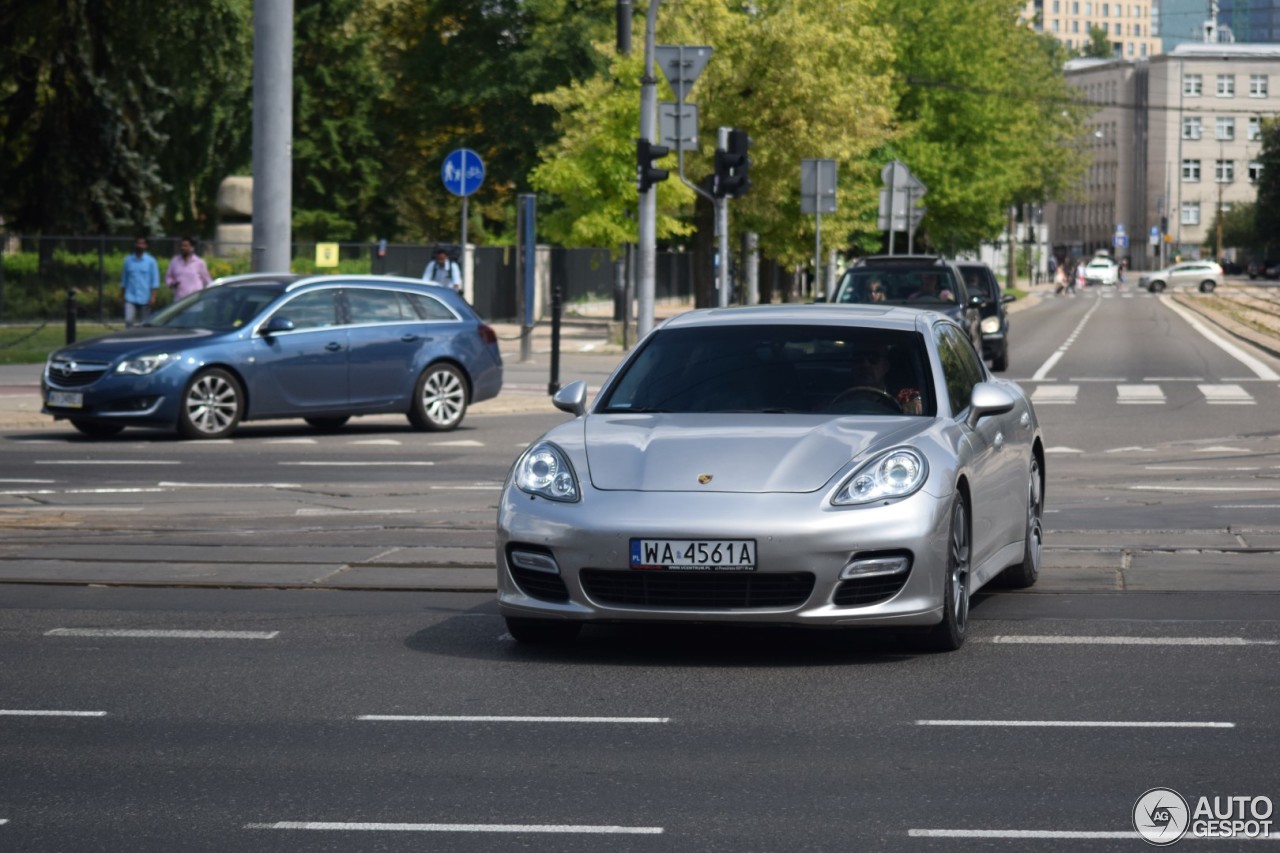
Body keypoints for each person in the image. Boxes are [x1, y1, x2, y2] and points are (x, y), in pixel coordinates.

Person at [120, 236, 160, 327]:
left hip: (145, 298)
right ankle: (129, 338)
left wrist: (153, 297)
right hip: (130, 297)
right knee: (128, 320)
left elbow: (155, 281)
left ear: (146, 246)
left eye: (142, 244)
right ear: (135, 245)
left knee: (145, 324)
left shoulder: (151, 261)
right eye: (138, 243)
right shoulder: (128, 260)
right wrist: (122, 296)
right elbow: (124, 280)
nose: (140, 246)